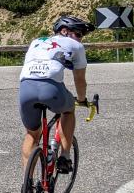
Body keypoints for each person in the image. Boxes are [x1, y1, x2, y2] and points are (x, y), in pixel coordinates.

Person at [18, 16, 94, 177]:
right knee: (68, 110)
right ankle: (65, 157)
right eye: (79, 33)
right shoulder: (76, 46)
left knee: (32, 134)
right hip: (50, 89)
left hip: (26, 88)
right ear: (64, 31)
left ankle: (27, 183)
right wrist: (81, 99)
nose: (81, 38)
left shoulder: (37, 41)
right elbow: (80, 80)